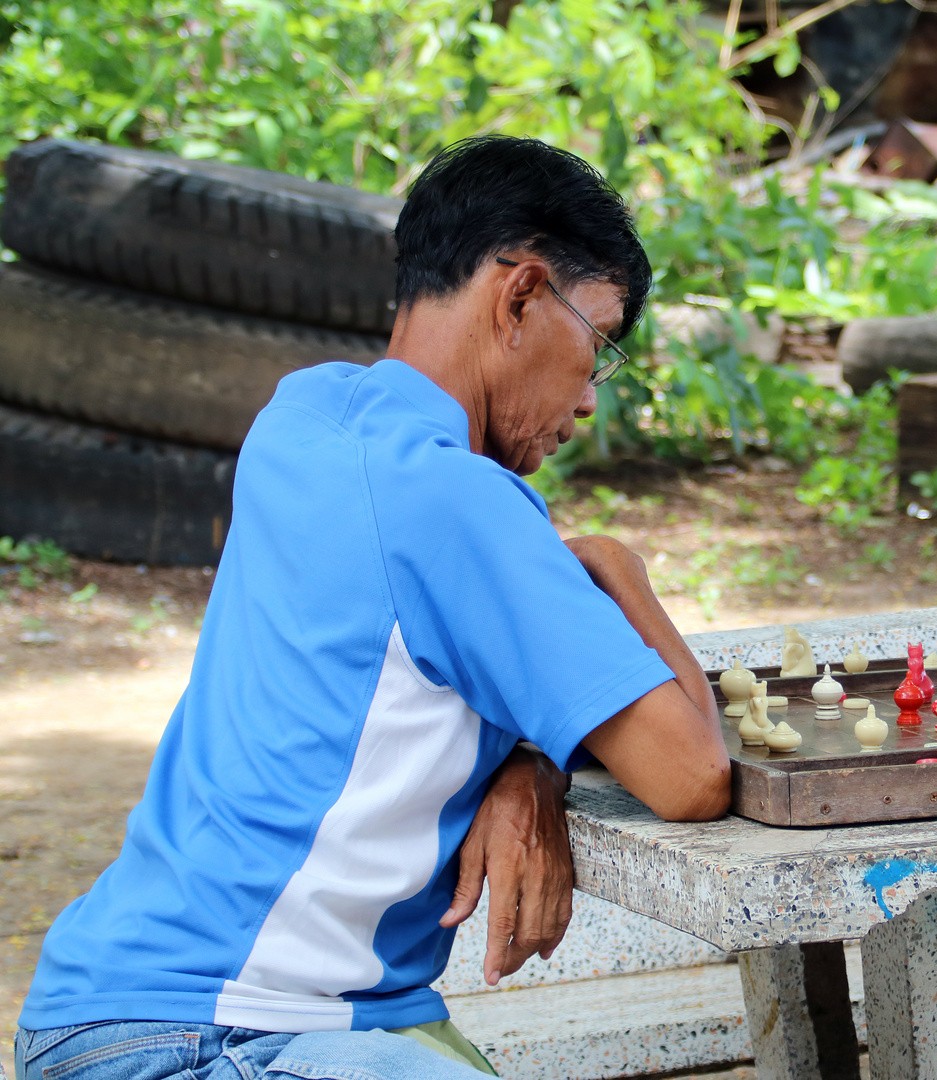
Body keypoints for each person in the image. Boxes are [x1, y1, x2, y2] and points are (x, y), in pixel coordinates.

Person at [13, 135, 732, 1080]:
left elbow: (394, 676)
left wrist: (529, 764)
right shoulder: (458, 505)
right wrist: (619, 572)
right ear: (519, 297)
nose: (589, 400)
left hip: (104, 1006)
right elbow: (693, 777)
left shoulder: (301, 420)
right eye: (596, 345)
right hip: (209, 1040)